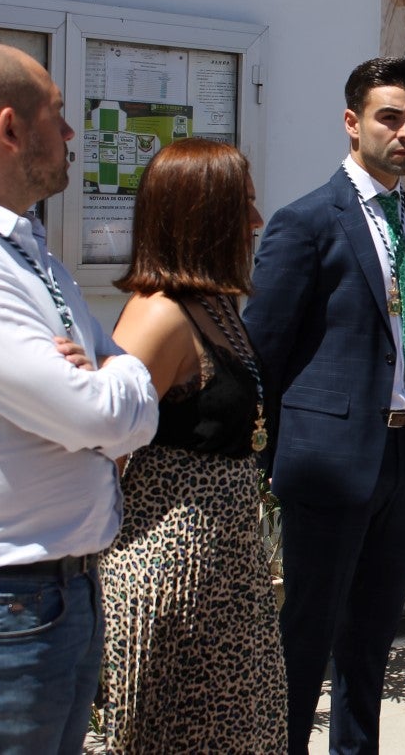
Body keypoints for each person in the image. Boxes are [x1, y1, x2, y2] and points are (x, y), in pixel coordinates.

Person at [0, 42, 159, 753]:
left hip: (51, 591)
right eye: (58, 114)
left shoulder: (19, 245)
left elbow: (116, 381)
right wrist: (112, 382)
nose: (72, 135)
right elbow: (100, 410)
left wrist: (110, 377)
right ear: (9, 129)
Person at [244, 56, 405, 755]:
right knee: (308, 636)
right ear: (353, 124)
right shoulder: (307, 222)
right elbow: (262, 349)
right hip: (327, 461)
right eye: (391, 117)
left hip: (402, 453)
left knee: (372, 640)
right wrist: (266, 456)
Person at [99, 138, 286, 751]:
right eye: (244, 207)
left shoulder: (216, 305)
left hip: (226, 573)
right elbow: (107, 452)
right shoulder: (160, 317)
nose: (256, 222)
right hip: (172, 576)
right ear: (203, 216)